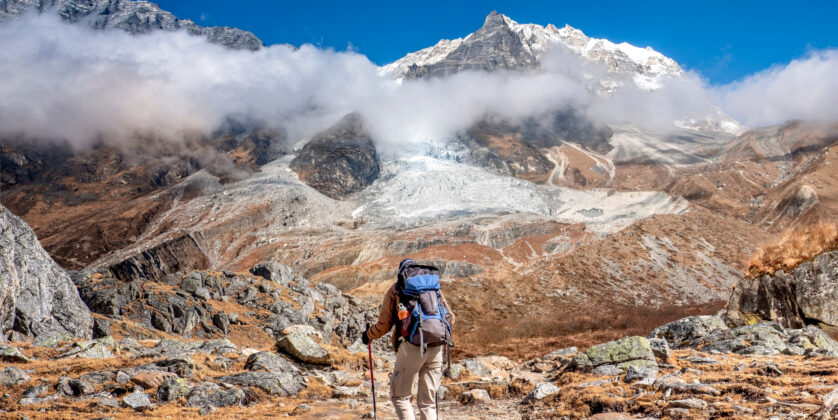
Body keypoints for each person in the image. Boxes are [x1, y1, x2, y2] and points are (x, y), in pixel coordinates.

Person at [362, 258, 455, 420]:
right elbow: (451, 317)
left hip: (412, 347)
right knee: (428, 403)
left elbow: (384, 325)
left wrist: (368, 335)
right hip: (437, 346)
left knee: (401, 397)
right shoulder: (434, 287)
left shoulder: (397, 288)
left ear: (402, 273)